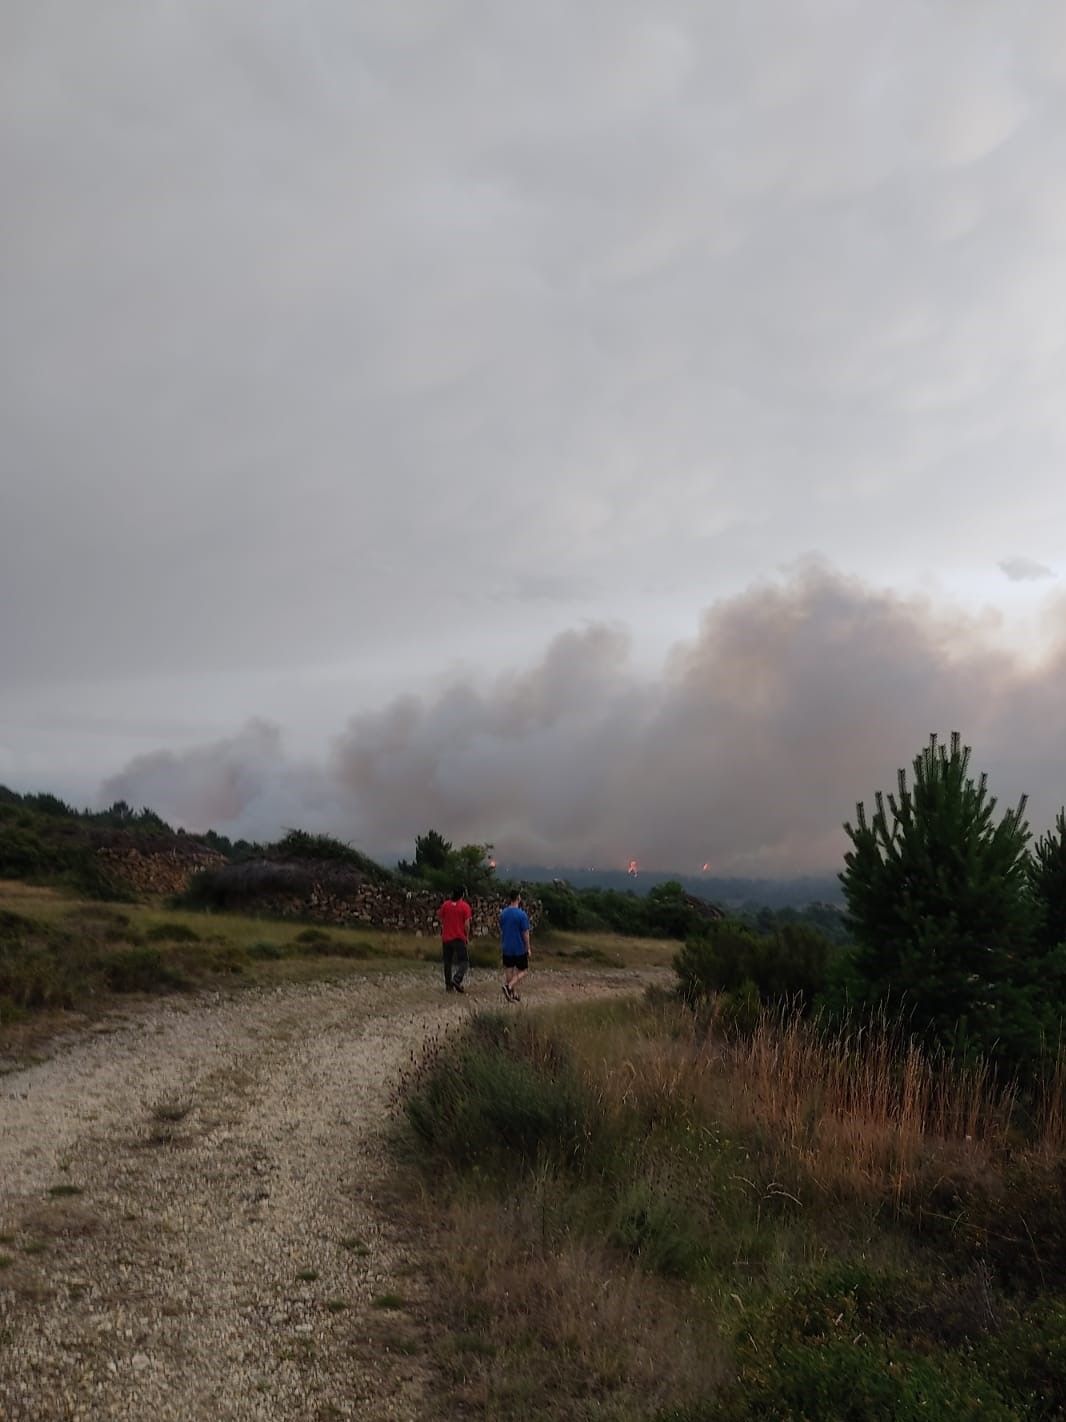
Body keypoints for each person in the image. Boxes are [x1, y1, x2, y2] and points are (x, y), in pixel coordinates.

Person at [436, 885, 472, 994]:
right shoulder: (465, 907)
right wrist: (467, 936)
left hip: (446, 938)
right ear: (462, 894)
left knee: (447, 962)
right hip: (459, 937)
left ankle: (448, 986)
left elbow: (440, 916)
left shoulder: (446, 905)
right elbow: (467, 924)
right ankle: (457, 979)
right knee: (464, 961)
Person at [499, 889, 531, 1002]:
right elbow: (525, 933)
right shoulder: (522, 915)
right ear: (518, 898)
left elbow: (502, 929)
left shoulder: (503, 913)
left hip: (506, 946)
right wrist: (528, 947)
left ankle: (512, 994)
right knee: (523, 970)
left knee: (509, 969)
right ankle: (509, 986)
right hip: (519, 948)